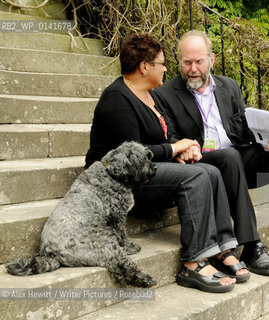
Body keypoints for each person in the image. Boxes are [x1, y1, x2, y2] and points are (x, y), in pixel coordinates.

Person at [155, 30, 269, 276]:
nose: (193, 68)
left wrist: (266, 142)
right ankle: (250, 246)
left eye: (199, 61)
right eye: (187, 62)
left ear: (212, 60)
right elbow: (171, 138)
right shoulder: (165, 94)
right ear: (179, 62)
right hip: (203, 164)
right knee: (230, 157)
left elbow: (242, 128)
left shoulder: (228, 86)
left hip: (236, 160)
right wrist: (186, 149)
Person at [85, 33, 249, 293]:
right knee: (195, 177)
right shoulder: (117, 99)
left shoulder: (152, 95)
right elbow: (132, 156)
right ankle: (193, 263)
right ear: (144, 66)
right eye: (161, 63)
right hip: (119, 183)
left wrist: (182, 150)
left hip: (148, 171)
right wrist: (174, 148)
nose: (166, 69)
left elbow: (168, 134)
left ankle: (221, 248)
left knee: (211, 171)